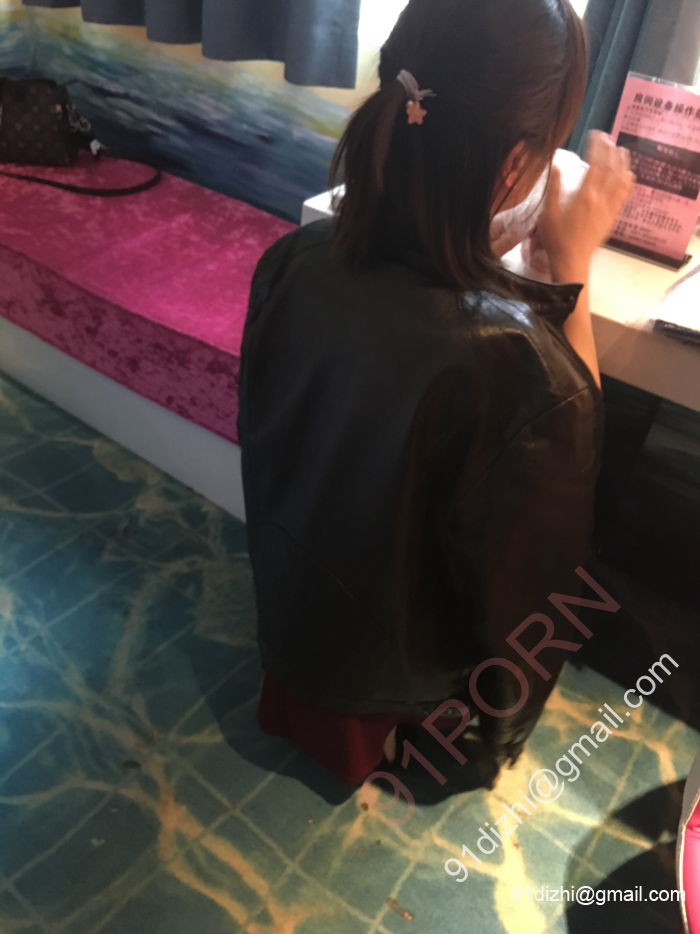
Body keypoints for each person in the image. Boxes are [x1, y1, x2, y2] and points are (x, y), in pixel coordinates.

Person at [237, 0, 635, 787]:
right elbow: (569, 445)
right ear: (514, 165)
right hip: (401, 689)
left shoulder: (293, 261)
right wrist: (574, 267)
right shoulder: (517, 364)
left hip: (293, 616)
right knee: (557, 568)